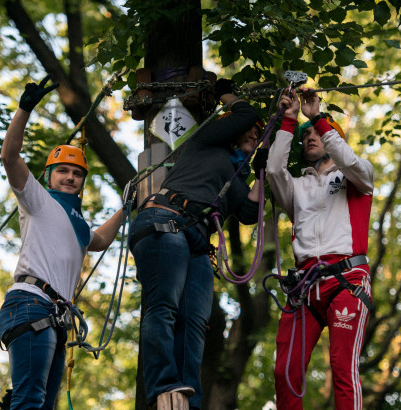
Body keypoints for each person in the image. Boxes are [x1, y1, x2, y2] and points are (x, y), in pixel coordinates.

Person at [128, 79, 265, 409]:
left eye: (258, 138)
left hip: (197, 243)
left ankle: (188, 399)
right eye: (249, 133)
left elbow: (247, 211)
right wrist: (227, 94)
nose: (253, 137)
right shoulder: (207, 141)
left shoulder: (234, 174)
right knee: (164, 308)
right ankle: (163, 387)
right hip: (166, 221)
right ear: (230, 129)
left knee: (194, 323)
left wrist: (261, 174)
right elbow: (246, 114)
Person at [0, 75, 123, 409]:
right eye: (62, 170)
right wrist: (24, 109)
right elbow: (10, 157)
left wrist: (128, 207)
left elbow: (99, 241)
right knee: (30, 399)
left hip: (53, 315)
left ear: (82, 183)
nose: (69, 177)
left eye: (76, 173)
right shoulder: (38, 200)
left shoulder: (79, 224)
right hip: (30, 303)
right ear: (49, 176)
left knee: (39, 404)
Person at [266, 88, 374, 409]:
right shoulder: (296, 187)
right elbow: (274, 171)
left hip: (347, 279)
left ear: (331, 139)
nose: (310, 137)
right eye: (306, 136)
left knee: (342, 366)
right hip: (304, 286)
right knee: (285, 370)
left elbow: (351, 160)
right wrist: (289, 121)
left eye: (316, 133)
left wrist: (316, 117)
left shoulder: (357, 177)